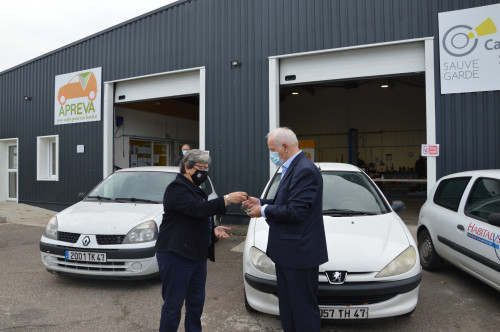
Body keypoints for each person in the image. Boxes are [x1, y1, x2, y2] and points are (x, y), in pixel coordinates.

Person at [243, 127, 328, 332]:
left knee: (302, 309)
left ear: (284, 147)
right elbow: (285, 202)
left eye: (272, 149)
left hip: (299, 255)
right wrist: (261, 201)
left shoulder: (304, 170)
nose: (271, 154)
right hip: (289, 253)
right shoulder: (292, 168)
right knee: (289, 306)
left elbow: (296, 211)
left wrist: (263, 210)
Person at [156, 149, 247, 332]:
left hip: (196, 256)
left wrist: (213, 229)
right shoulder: (176, 189)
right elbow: (197, 209)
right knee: (173, 306)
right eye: (200, 168)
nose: (204, 172)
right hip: (176, 255)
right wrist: (227, 199)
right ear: (187, 168)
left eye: (207, 168)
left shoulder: (195, 189)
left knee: (196, 304)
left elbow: (194, 218)